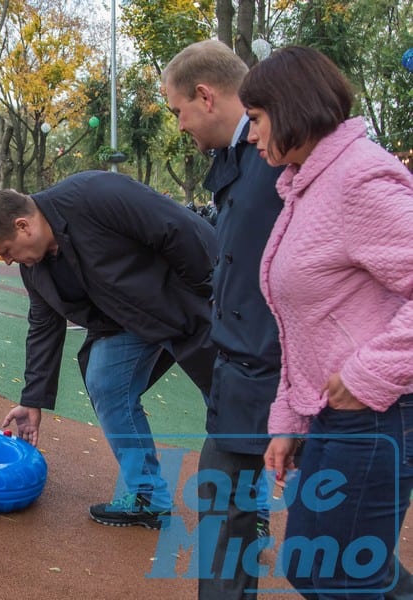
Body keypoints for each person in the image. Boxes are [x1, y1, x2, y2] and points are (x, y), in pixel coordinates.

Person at [240, 45, 413, 597]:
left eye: (258, 119)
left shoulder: (359, 179)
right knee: (315, 568)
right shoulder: (307, 186)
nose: (251, 135)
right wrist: (289, 414)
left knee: (338, 576)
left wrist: (369, 374)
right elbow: (307, 319)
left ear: (289, 108)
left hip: (380, 414)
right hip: (337, 415)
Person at [0, 171, 218, 529]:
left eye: (6, 251)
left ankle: (248, 514)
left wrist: (207, 291)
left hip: (183, 301)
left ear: (23, 226)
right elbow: (44, 327)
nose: (8, 261)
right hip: (127, 321)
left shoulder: (94, 194)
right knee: (105, 380)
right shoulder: (35, 267)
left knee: (228, 400)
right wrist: (32, 399)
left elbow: (177, 226)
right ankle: (147, 497)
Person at [162, 39, 283, 600]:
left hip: (282, 370)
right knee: (223, 503)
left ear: (205, 96)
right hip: (242, 367)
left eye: (177, 110)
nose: (179, 125)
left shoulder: (280, 154)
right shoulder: (233, 159)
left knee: (332, 545)